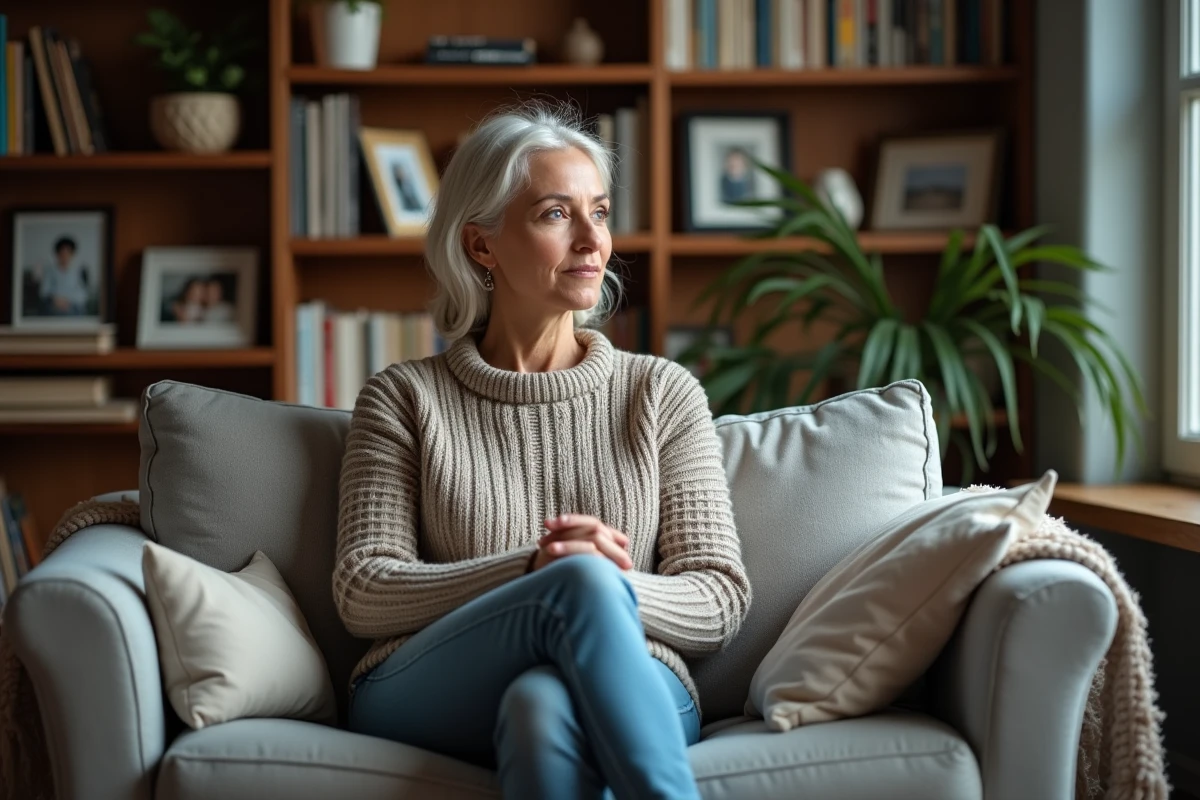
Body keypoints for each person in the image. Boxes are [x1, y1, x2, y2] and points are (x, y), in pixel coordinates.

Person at [335, 102, 751, 800]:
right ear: (481, 246)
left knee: (540, 706)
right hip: (429, 683)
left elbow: (719, 596)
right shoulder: (404, 397)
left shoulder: (659, 392)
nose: (593, 240)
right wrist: (541, 571)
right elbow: (363, 590)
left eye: (600, 212)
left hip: (639, 680)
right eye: (556, 214)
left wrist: (602, 586)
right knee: (579, 582)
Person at [35, 236, 91, 316]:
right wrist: (55, 300)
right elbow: (44, 292)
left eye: (68, 252)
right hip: (54, 306)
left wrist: (67, 301)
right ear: (57, 254)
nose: (65, 255)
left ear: (72, 254)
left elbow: (83, 295)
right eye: (62, 252)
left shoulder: (79, 271)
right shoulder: (49, 271)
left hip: (73, 307)